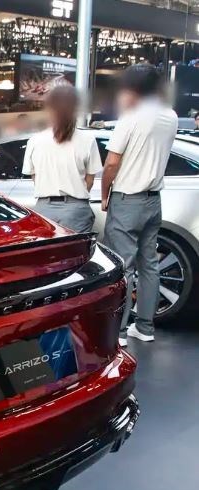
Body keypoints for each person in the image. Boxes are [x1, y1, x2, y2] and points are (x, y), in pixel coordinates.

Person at [101, 63, 177, 346]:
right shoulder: (171, 116)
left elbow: (112, 163)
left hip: (127, 200)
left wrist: (105, 194)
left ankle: (119, 332)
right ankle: (145, 327)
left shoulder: (131, 117)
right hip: (153, 201)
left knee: (123, 266)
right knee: (150, 266)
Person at [22, 85, 102, 235]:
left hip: (44, 210)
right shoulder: (88, 140)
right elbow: (89, 181)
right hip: (76, 211)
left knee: (47, 251)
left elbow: (35, 177)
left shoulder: (35, 141)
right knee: (76, 250)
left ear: (49, 108)